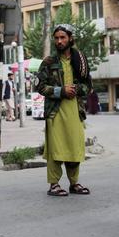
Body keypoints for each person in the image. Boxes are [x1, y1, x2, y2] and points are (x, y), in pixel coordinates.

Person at [36, 24, 92, 197]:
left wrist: (75, 89)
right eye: (57, 38)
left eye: (63, 37)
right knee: (56, 150)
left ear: (70, 39)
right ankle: (54, 184)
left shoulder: (80, 60)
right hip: (55, 112)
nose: (59, 41)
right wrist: (61, 91)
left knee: (74, 147)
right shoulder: (48, 62)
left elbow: (88, 86)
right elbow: (40, 86)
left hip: (75, 110)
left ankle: (74, 183)